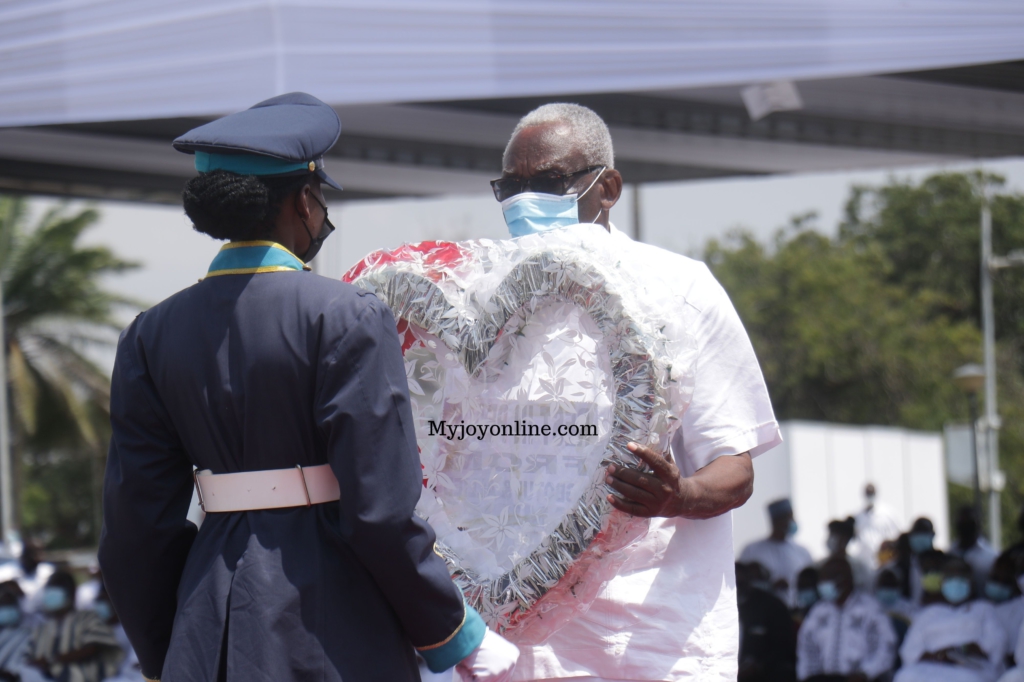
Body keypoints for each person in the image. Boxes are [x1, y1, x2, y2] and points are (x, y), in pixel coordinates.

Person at [98, 93, 518, 682]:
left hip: (207, 626)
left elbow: (136, 528)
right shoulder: (346, 315)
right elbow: (378, 511)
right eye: (320, 198)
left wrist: (170, 649)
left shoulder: (150, 333)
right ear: (302, 200)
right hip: (331, 621)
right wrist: (451, 630)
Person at [491, 103, 782, 680]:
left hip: (652, 642)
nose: (524, 202)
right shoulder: (483, 298)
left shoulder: (679, 290)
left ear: (609, 188)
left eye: (548, 182)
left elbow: (735, 468)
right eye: (510, 187)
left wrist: (680, 496)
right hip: (521, 648)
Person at [895, 556, 1007, 682]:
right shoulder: (928, 613)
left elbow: (997, 644)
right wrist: (936, 656)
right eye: (951, 578)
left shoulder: (984, 610)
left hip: (971, 667)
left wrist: (962, 650)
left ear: (971, 583)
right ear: (942, 583)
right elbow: (909, 650)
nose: (956, 582)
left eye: (961, 578)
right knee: (905, 676)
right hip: (931, 666)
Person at [796, 557, 897, 682]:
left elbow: (886, 647)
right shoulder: (818, 612)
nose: (822, 584)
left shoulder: (870, 609)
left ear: (844, 581)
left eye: (827, 578)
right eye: (821, 579)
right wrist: (807, 677)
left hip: (862, 678)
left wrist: (865, 674)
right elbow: (806, 649)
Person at [28, 571, 123, 682]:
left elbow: (93, 648)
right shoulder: (41, 627)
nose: (51, 595)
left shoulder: (89, 618)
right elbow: (28, 657)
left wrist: (54, 660)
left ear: (71, 593)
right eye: (49, 589)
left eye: (56, 590)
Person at [741, 499, 814, 605]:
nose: (792, 521)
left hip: (795, 610)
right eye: (788, 517)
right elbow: (743, 582)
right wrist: (771, 586)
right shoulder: (752, 550)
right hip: (763, 610)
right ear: (776, 520)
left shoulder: (802, 552)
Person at [736, 562, 797, 682]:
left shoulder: (772, 606)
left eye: (739, 583)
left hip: (766, 675)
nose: (735, 588)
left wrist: (758, 665)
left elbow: (784, 646)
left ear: (749, 579)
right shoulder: (717, 608)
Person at [951, 506, 1000, 596]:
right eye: (963, 523)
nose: (966, 528)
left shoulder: (992, 556)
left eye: (970, 523)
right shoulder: (950, 554)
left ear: (978, 525)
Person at [986, 552, 1024, 665]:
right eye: (995, 579)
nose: (999, 585)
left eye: (1005, 581)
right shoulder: (980, 607)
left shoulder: (1019, 609)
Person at [855, 484, 903, 569]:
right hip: (865, 561)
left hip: (885, 558)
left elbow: (898, 534)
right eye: (868, 494)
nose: (869, 496)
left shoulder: (888, 514)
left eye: (871, 493)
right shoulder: (858, 516)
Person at [822, 517, 872, 590]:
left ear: (845, 539)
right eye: (830, 534)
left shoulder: (858, 567)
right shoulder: (821, 565)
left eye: (834, 535)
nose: (830, 538)